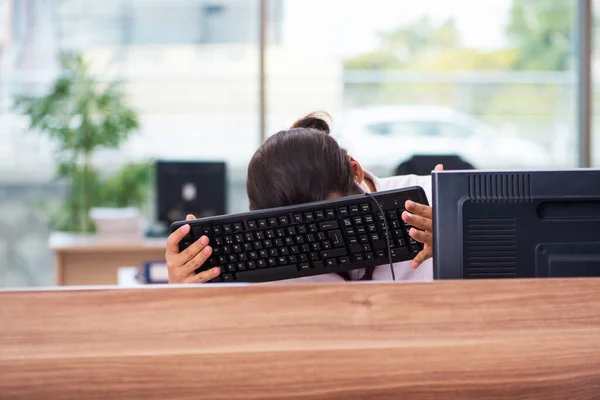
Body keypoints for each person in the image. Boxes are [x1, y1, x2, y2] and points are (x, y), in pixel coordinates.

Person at [165, 112, 441, 284]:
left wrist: (463, 238)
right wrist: (183, 291)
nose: (320, 242)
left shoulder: (433, 201)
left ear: (355, 172)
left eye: (331, 218)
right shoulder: (271, 245)